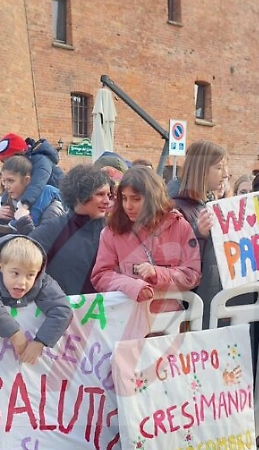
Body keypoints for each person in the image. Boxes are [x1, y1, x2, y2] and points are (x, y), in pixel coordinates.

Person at [91, 165, 201, 307]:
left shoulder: (179, 226)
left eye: (136, 199)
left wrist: (157, 273)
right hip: (128, 318)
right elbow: (101, 276)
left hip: (170, 321)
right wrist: (132, 286)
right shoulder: (112, 231)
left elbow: (192, 274)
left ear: (152, 198)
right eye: (124, 198)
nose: (128, 206)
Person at [0, 235, 72, 365]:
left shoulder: (42, 281)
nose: (22, 282)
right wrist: (14, 333)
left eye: (30, 275)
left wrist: (40, 342)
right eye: (15, 273)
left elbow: (62, 310)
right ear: (0, 266)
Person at [25, 164, 112, 295]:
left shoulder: (113, 231)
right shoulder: (52, 231)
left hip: (108, 312)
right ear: (79, 196)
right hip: (62, 311)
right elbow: (21, 264)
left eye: (109, 195)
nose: (107, 201)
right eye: (100, 194)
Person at [172, 140, 227, 327]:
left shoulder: (205, 204)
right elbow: (173, 257)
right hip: (191, 305)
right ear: (202, 169)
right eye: (219, 167)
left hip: (209, 298)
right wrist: (199, 235)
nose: (225, 174)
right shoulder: (177, 207)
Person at [0, 155, 63, 242]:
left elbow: (44, 243)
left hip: (32, 251)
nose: (6, 186)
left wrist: (23, 221)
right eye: (4, 181)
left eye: (11, 181)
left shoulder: (52, 206)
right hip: (10, 251)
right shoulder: (5, 200)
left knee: (48, 190)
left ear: (27, 180)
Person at [0, 133, 66, 226]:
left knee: (46, 190)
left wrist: (24, 206)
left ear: (21, 154)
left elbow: (37, 185)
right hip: (40, 201)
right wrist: (1, 208)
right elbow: (9, 188)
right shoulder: (24, 165)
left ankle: (28, 223)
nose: (10, 164)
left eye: (10, 160)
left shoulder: (41, 160)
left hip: (60, 198)